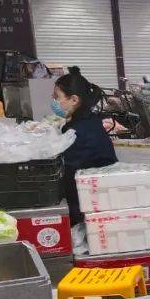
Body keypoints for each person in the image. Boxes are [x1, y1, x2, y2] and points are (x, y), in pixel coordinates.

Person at [53, 66, 117, 225]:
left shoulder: (82, 131)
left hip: (92, 203)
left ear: (74, 100)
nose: (53, 101)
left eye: (56, 97)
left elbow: (69, 171)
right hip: (90, 197)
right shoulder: (84, 121)